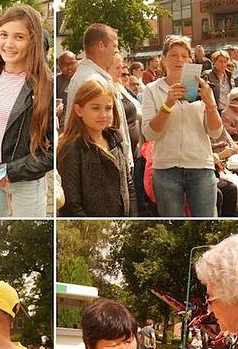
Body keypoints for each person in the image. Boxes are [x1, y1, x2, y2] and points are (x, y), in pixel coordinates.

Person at [0, 4, 53, 217]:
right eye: (4, 35)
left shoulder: (46, 86)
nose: (8, 44)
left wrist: (10, 172)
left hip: (26, 180)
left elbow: (53, 152)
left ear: (33, 41)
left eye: (19, 37)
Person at [141, 35, 224, 217]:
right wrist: (167, 104)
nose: (179, 60)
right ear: (163, 59)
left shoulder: (204, 88)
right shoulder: (152, 90)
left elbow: (216, 132)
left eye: (184, 56)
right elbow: (149, 134)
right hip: (166, 168)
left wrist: (210, 104)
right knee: (172, 225)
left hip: (201, 165)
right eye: (173, 55)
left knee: (206, 223)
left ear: (191, 59)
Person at [57, 78, 136, 216]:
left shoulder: (114, 138)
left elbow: (128, 183)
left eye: (108, 108)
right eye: (95, 108)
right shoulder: (72, 148)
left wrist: (133, 216)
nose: (103, 114)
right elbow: (71, 203)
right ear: (79, 110)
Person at [65, 23, 133, 170]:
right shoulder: (91, 80)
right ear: (102, 45)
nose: (116, 51)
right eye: (114, 46)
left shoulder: (97, 76)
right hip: (102, 163)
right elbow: (100, 127)